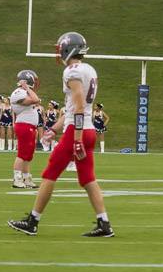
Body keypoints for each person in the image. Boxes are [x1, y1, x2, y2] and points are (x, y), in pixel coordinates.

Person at [8, 31, 114, 238]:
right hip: (89, 128)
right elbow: (74, 107)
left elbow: (79, 105)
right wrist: (54, 129)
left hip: (78, 130)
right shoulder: (89, 69)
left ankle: (33, 221)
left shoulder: (71, 71)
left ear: (68, 49)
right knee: (87, 179)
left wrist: (75, 138)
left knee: (50, 174)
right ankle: (104, 223)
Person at [10, 69, 41, 188]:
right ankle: (17, 179)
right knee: (22, 154)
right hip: (24, 125)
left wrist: (29, 88)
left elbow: (35, 92)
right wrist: (27, 88)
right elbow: (35, 100)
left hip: (30, 126)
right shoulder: (18, 92)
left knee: (28, 155)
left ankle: (26, 178)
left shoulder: (25, 91)